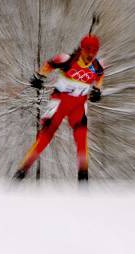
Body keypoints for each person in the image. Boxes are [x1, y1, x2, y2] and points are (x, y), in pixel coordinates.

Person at [13, 34, 104, 181]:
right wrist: (39, 76)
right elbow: (50, 64)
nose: (91, 54)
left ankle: (83, 180)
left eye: (94, 51)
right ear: (82, 49)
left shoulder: (96, 66)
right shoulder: (67, 60)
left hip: (78, 106)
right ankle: (21, 172)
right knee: (45, 138)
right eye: (88, 50)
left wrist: (98, 90)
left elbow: (100, 76)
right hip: (60, 103)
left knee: (82, 140)